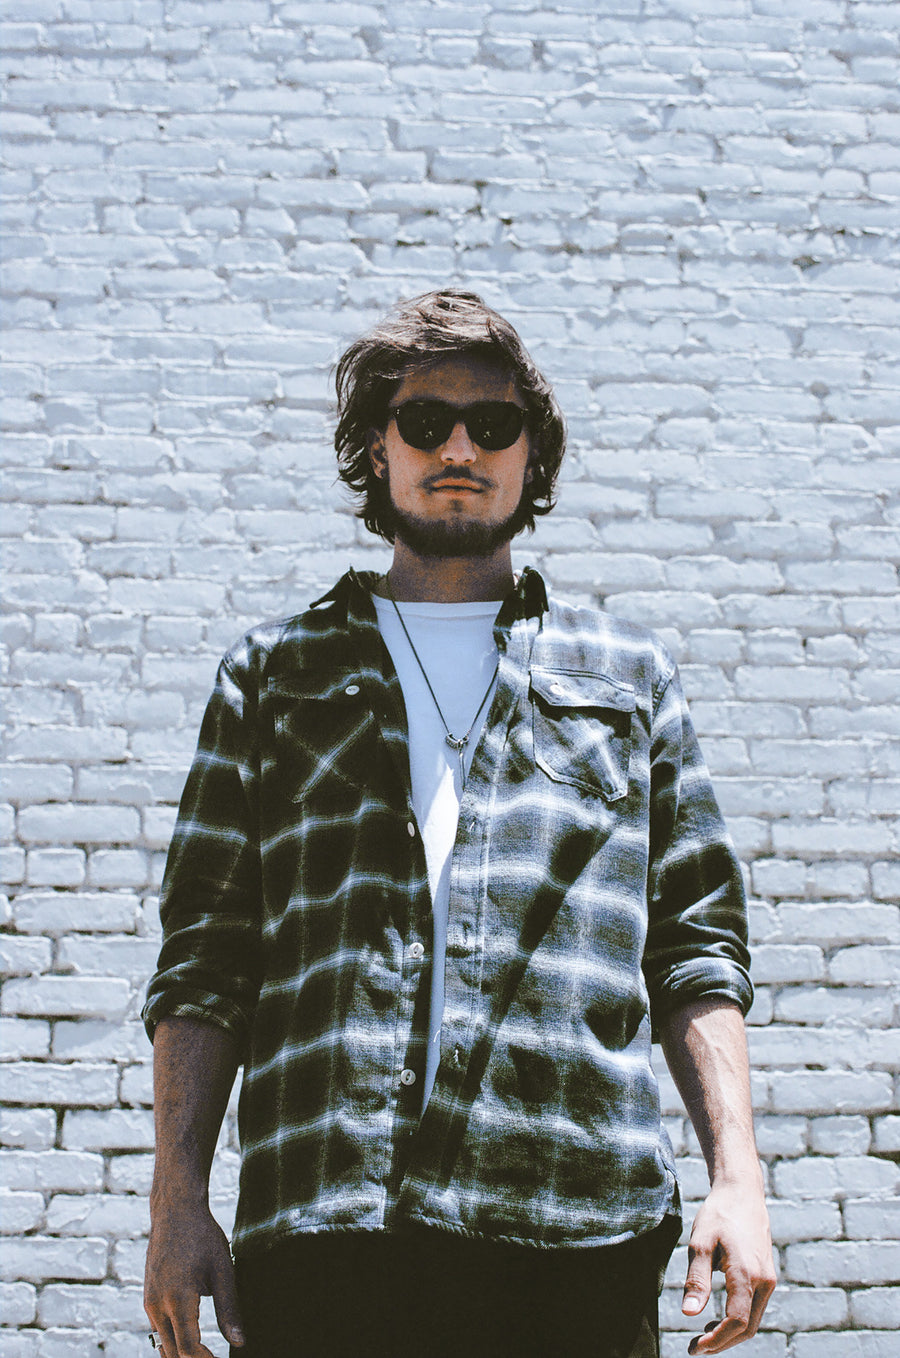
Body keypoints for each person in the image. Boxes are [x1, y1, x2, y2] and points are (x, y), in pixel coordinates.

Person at [142, 289, 775, 1358]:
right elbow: (206, 961)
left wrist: (739, 1178)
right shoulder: (275, 676)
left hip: (575, 1226)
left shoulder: (627, 679)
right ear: (376, 448)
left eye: (493, 424)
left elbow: (696, 948)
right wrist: (177, 1201)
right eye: (426, 421)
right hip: (326, 1229)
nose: (460, 447)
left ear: (532, 453)